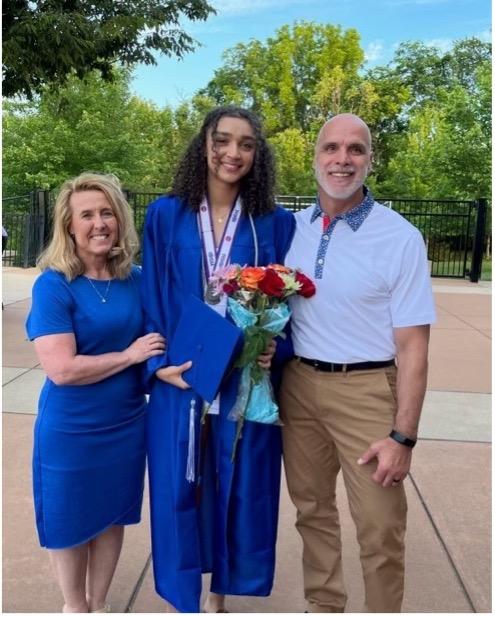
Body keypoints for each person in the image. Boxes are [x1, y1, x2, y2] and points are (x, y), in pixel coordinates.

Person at [141, 106, 296, 613]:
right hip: (180, 375)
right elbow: (151, 296)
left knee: (239, 486)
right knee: (180, 487)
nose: (233, 153)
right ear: (204, 144)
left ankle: (219, 596)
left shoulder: (275, 222)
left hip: (243, 379)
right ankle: (183, 597)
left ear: (258, 154)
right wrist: (155, 365)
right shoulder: (166, 214)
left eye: (247, 144)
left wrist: (277, 346)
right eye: (223, 140)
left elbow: (289, 308)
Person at [280, 113, 436, 613]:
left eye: (355, 149)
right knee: (312, 511)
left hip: (367, 390)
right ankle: (323, 604)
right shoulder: (292, 228)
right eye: (331, 148)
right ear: (315, 157)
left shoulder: (400, 238)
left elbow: (414, 347)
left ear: (370, 159)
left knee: (380, 523)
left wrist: (403, 436)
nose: (341, 160)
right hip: (299, 386)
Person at [25, 173, 165, 613]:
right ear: (69, 225)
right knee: (69, 522)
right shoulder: (53, 285)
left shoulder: (137, 279)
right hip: (71, 429)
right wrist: (129, 356)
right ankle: (75, 607)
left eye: (107, 213)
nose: (99, 223)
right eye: (87, 214)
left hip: (125, 424)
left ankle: (99, 605)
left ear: (121, 220)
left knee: (111, 517)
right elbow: (62, 369)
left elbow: (166, 340)